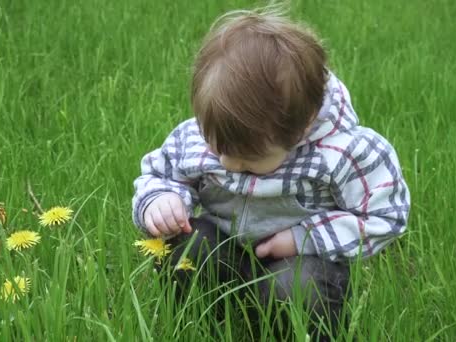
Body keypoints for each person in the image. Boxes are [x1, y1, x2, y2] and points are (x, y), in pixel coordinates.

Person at [132, 8, 410, 341]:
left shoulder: (342, 154)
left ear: (301, 128)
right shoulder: (203, 136)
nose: (227, 163)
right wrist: (161, 199)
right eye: (216, 147)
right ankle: (205, 325)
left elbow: (385, 215)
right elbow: (160, 175)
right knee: (188, 246)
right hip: (225, 251)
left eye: (247, 158)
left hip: (300, 262)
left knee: (300, 287)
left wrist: (304, 238)